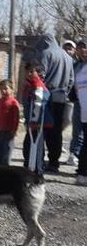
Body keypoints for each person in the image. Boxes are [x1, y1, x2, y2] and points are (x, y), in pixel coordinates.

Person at [31, 33, 74, 172]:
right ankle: (54, 162)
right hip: (61, 98)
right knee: (56, 132)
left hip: (47, 97)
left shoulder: (45, 54)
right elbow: (72, 80)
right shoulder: (67, 57)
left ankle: (40, 160)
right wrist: (65, 91)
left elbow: (40, 76)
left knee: (43, 129)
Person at [22, 62, 51, 176]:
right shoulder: (29, 85)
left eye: (31, 71)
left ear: (38, 73)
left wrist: (34, 120)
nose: (28, 74)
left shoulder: (38, 86)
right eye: (27, 71)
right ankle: (29, 169)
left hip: (37, 122)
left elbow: (39, 104)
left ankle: (36, 172)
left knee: (36, 147)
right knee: (28, 146)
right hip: (31, 121)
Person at [0, 79, 20, 166]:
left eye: (6, 88)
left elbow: (16, 118)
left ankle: (5, 168)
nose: (3, 91)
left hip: (9, 132)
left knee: (6, 151)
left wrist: (14, 130)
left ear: (11, 89)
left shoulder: (14, 103)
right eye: (1, 89)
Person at [67, 40, 86, 166]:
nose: (80, 51)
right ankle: (74, 153)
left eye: (83, 48)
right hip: (79, 101)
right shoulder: (76, 65)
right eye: (79, 48)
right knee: (77, 128)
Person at [73, 48, 87, 184]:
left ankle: (82, 174)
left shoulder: (80, 72)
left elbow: (77, 91)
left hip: (84, 112)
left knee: (85, 144)